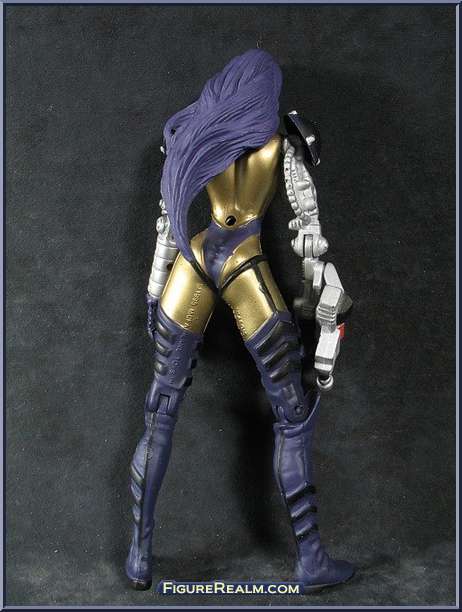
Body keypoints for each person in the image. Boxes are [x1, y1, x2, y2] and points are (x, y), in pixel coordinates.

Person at [126, 48, 354, 592]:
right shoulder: (281, 143)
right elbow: (309, 233)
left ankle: (139, 556)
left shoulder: (195, 133)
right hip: (244, 263)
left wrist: (155, 293)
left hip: (193, 258)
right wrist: (315, 296)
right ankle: (311, 560)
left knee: (160, 410)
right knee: (292, 415)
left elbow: (168, 224)